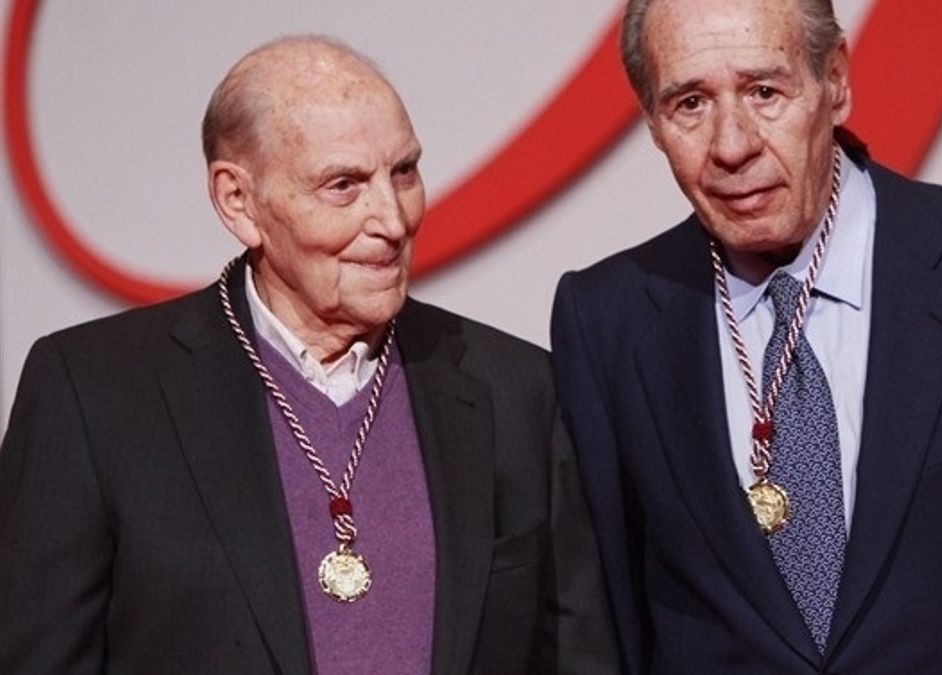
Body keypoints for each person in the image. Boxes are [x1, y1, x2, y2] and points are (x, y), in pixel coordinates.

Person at [549, 0, 942, 672]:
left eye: (764, 92)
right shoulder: (605, 319)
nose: (732, 144)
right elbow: (603, 623)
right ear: (652, 122)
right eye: (689, 103)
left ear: (835, 81)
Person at [0, 35, 617, 674]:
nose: (393, 219)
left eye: (403, 172)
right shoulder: (94, 394)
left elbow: (576, 657)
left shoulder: (515, 389)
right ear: (239, 202)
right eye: (344, 185)